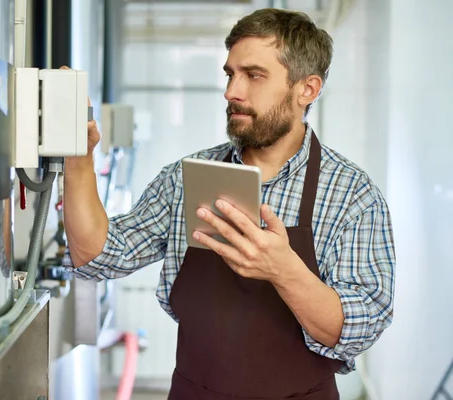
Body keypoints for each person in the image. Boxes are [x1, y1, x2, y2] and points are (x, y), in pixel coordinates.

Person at [63, 8, 396, 400]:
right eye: (230, 74)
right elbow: (97, 255)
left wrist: (284, 271)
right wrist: (78, 158)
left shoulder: (352, 196)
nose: (232, 91)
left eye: (253, 75)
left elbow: (360, 328)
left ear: (307, 89)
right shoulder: (186, 179)